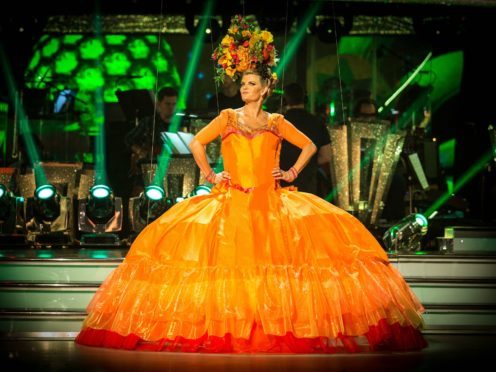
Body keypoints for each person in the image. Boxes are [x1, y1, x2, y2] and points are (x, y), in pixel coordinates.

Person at [75, 15, 426, 353]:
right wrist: (211, 175)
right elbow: (197, 142)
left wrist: (291, 173)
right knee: (225, 266)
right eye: (242, 83)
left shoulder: (276, 121)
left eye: (251, 83)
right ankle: (232, 327)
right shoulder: (228, 117)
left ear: (266, 88)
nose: (244, 88)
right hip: (234, 200)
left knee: (282, 267)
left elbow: (309, 145)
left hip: (269, 203)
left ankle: (270, 326)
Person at [279, 82, 331, 197]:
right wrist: (309, 162)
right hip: (308, 186)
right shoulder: (317, 122)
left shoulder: (278, 123)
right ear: (305, 99)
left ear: (284, 100)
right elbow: (327, 156)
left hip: (280, 186)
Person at [124, 86, 178, 196]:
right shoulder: (148, 122)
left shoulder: (182, 124)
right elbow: (128, 139)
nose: (171, 108)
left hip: (174, 169)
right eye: (167, 104)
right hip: (149, 168)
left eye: (174, 104)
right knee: (137, 195)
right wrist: (140, 151)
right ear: (159, 104)